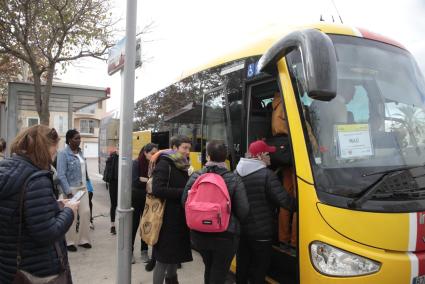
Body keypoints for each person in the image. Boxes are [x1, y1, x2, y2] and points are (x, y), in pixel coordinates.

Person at [0, 125, 79, 283]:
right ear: (44, 147)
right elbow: (47, 233)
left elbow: (20, 210)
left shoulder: (7, 168)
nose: (54, 153)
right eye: (54, 148)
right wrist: (69, 211)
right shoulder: (37, 179)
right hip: (36, 270)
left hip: (9, 266)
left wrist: (53, 205)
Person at [182, 140, 249, 284]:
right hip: (226, 235)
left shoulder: (196, 176)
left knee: (209, 266)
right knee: (220, 271)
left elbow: (184, 201)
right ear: (225, 157)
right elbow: (243, 210)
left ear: (207, 156)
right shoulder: (234, 179)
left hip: (199, 233)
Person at [235, 140, 295, 284]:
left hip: (241, 229)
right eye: (268, 154)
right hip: (261, 232)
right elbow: (285, 201)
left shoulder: (236, 172)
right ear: (261, 155)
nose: (270, 158)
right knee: (259, 267)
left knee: (242, 264)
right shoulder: (267, 175)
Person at [151, 135, 193, 284]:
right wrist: (185, 192)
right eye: (184, 148)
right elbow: (157, 189)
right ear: (174, 148)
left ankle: (172, 281)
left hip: (179, 217)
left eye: (189, 148)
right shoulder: (165, 164)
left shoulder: (183, 164)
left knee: (175, 256)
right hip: (166, 219)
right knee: (163, 258)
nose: (188, 151)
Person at [57, 129, 92, 251]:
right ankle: (69, 242)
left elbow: (84, 171)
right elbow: (61, 174)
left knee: (85, 212)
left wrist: (88, 185)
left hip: (83, 188)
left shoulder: (81, 153)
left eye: (79, 138)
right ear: (69, 140)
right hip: (71, 189)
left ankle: (84, 240)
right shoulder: (63, 154)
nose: (79, 140)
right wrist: (68, 191)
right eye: (76, 138)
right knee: (71, 215)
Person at [131, 143, 159, 264]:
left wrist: (145, 180)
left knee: (146, 225)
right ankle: (129, 252)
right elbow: (135, 181)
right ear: (145, 153)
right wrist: (149, 181)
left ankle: (144, 251)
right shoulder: (136, 163)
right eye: (152, 153)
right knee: (134, 225)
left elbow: (157, 181)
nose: (154, 155)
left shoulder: (155, 164)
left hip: (149, 199)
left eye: (156, 153)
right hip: (136, 198)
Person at [104, 150, 119, 234]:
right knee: (116, 204)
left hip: (114, 183)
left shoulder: (113, 157)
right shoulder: (114, 157)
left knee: (114, 205)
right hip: (115, 183)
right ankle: (113, 225)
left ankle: (113, 225)